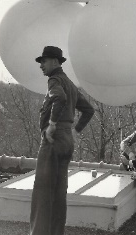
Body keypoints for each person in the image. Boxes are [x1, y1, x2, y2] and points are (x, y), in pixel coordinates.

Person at [30, 46, 95, 235]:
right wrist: (75, 130)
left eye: (44, 60)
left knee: (43, 192)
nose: (41, 65)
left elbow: (59, 97)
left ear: (56, 62)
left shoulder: (55, 80)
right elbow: (89, 110)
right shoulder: (70, 83)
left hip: (53, 139)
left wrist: (51, 124)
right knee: (59, 193)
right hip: (66, 140)